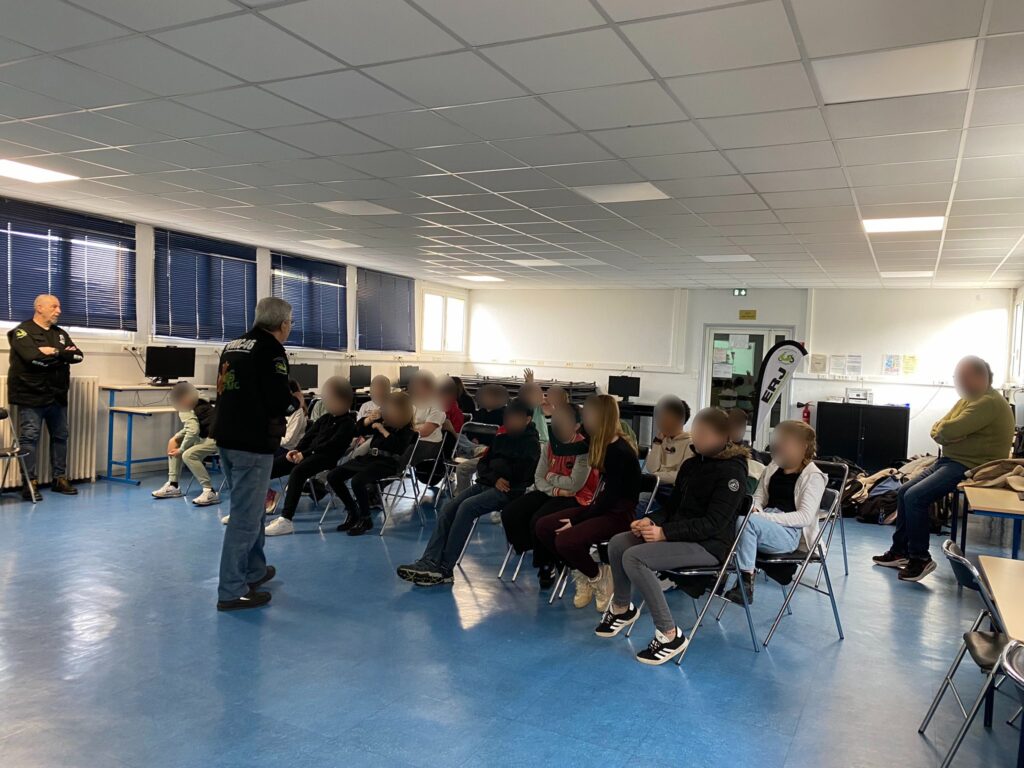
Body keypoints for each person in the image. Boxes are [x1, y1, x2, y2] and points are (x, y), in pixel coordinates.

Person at [594, 407, 748, 665]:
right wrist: (651, 521)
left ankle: (669, 635)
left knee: (634, 558)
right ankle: (621, 608)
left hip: (709, 546)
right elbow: (672, 508)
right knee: (619, 543)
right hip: (680, 536)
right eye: (697, 432)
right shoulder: (691, 465)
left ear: (723, 437)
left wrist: (664, 533)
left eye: (705, 434)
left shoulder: (733, 472)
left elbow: (713, 524)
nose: (698, 438)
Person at [873, 356, 1014, 582]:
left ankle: (920, 558)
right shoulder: (968, 400)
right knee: (904, 491)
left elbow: (946, 431)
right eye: (958, 377)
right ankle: (900, 551)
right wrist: (948, 434)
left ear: (980, 377)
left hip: (971, 466)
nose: (959, 382)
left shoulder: (988, 402)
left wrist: (948, 434)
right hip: (950, 460)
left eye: (963, 377)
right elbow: (939, 428)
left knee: (916, 497)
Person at [397, 399, 540, 587]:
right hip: (487, 483)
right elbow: (483, 464)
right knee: (449, 508)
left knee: (466, 507)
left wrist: (498, 477)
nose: (510, 421)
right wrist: (495, 477)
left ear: (527, 419)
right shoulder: (501, 436)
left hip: (509, 491)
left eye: (515, 418)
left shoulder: (531, 444)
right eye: (508, 417)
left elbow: (523, 475)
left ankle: (445, 569)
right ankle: (429, 560)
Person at [212, 296, 296, 612]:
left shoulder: (233, 345)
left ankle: (254, 570)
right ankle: (232, 590)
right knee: (245, 519)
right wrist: (296, 402)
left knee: (252, 510)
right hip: (252, 442)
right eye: (290, 322)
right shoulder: (272, 350)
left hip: (226, 436)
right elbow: (277, 400)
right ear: (283, 324)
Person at [534, 394, 641, 612]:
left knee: (565, 540)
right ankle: (586, 573)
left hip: (618, 515)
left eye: (588, 415)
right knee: (543, 526)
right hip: (599, 508)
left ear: (601, 417)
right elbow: (561, 446)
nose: (584, 420)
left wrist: (577, 520)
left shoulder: (620, 451)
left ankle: (598, 577)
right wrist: (554, 418)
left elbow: (610, 500)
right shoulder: (595, 440)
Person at [725, 420, 826, 605]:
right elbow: (759, 496)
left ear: (803, 446)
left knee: (745, 523)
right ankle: (720, 574)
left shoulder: (813, 476)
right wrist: (756, 508)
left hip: (789, 533)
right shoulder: (774, 466)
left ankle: (745, 583)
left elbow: (804, 517)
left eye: (786, 441)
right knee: (730, 516)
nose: (780, 445)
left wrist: (762, 516)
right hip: (763, 523)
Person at [500, 403, 598, 587]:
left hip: (576, 497)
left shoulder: (583, 448)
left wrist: (551, 477)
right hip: (552, 492)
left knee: (539, 520)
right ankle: (541, 550)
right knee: (511, 512)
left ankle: (546, 563)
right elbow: (539, 477)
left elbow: (575, 484)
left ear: (576, 426)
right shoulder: (550, 444)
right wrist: (554, 488)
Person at [7, 294, 84, 500]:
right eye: (54, 307)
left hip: (57, 394)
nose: (59, 311)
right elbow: (32, 358)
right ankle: (29, 482)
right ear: (39, 308)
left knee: (61, 436)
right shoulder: (22, 331)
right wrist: (61, 356)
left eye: (59, 307)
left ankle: (59, 479)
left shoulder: (60, 334)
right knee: (29, 438)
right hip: (31, 394)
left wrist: (55, 352)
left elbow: (78, 356)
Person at [262, 377, 356, 536]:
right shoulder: (325, 419)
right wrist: (296, 451)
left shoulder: (348, 423)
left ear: (343, 401)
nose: (326, 402)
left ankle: (286, 519)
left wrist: (304, 454)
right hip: (307, 454)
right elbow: (308, 437)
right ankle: (254, 509)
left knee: (298, 472)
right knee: (268, 468)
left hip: (326, 458)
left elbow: (330, 445)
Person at [330, 391, 418, 536]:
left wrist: (383, 430)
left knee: (357, 481)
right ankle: (353, 511)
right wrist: (369, 419)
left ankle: (366, 518)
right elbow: (358, 430)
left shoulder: (407, 431)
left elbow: (398, 447)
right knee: (334, 476)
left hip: (388, 463)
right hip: (370, 458)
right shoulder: (383, 421)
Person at [152, 382, 219, 506]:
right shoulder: (201, 399)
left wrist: (181, 449)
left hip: (216, 438)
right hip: (215, 434)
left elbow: (193, 430)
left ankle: (209, 491)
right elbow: (195, 426)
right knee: (174, 441)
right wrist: (177, 437)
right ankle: (173, 484)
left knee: (188, 455)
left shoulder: (184, 406)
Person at [643, 396, 692, 513]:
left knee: (642, 501)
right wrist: (657, 442)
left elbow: (680, 476)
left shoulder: (690, 443)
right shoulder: (663, 439)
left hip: (672, 489)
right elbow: (651, 468)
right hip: (657, 484)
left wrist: (656, 476)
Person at [520, 368, 550, 443]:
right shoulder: (520, 405)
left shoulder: (539, 405)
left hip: (541, 440)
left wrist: (531, 383)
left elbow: (549, 410)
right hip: (525, 440)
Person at [282, 379, 308, 453]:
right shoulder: (282, 408)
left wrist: (269, 440)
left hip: (289, 449)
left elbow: (288, 440)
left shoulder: (297, 411)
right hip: (280, 446)